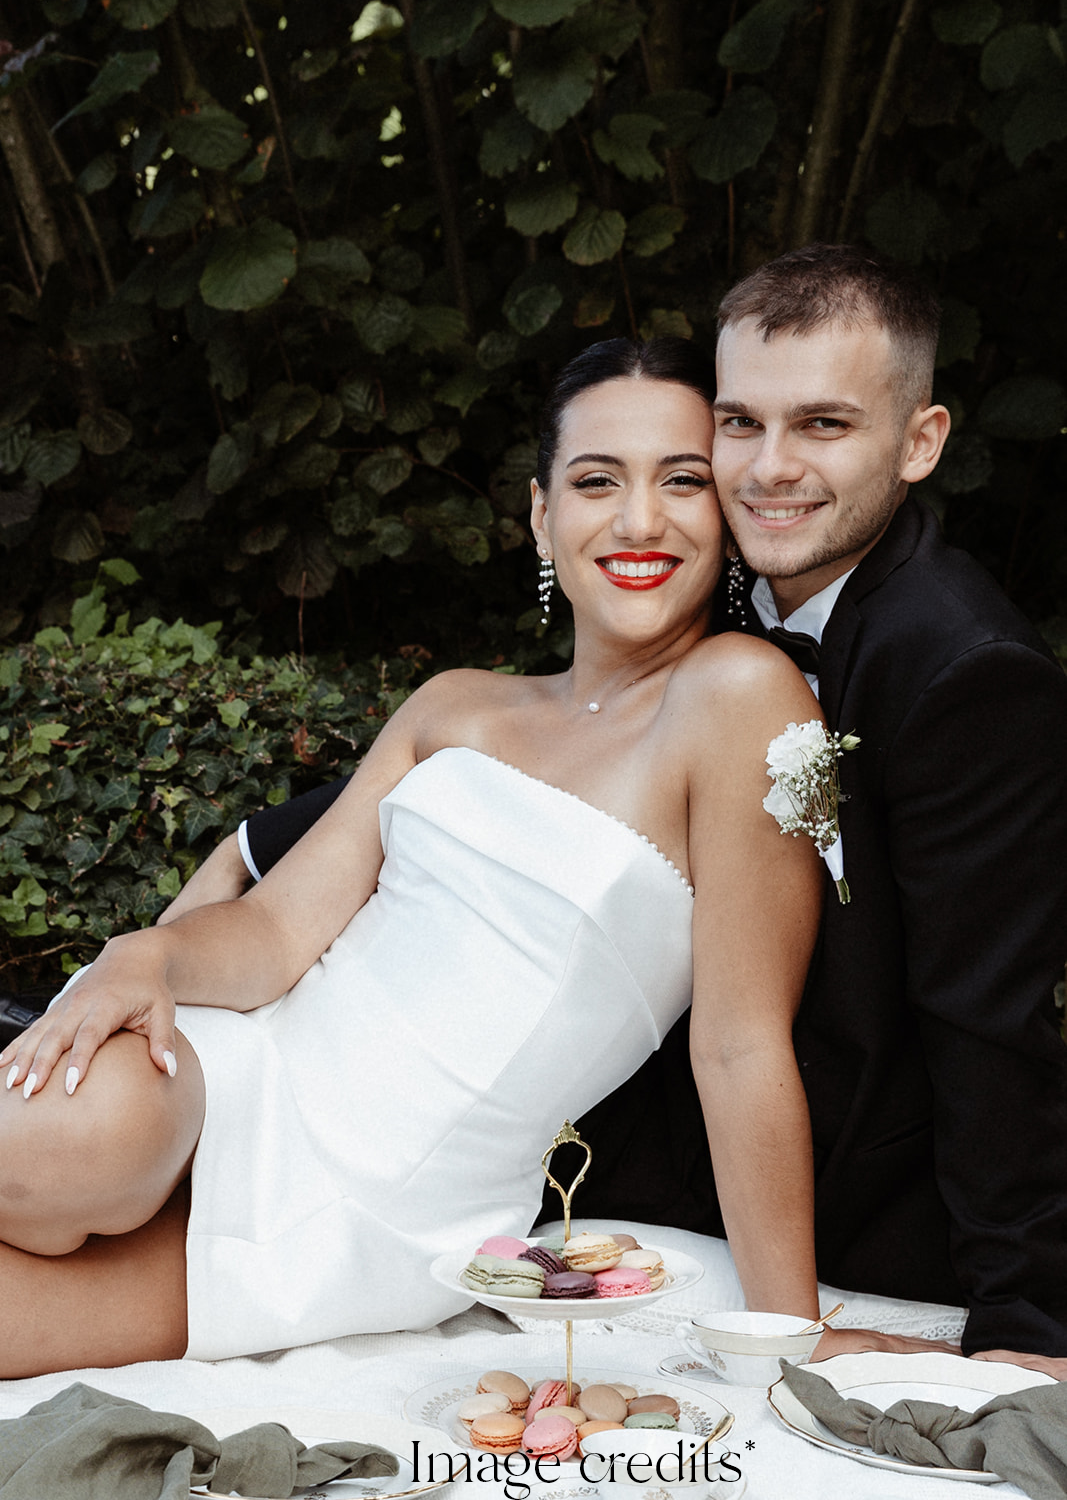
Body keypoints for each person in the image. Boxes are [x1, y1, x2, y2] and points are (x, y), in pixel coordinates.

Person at [226, 248, 1067, 1373]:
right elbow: (547, 752)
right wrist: (246, 856)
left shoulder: (963, 668)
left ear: (917, 442)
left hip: (846, 1186)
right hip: (631, 1123)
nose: (768, 469)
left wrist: (1026, 1322)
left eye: (821, 426)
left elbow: (988, 1022)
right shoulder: (726, 589)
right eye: (738, 424)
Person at [0, 338, 825, 1378]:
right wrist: (143, 958)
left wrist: (789, 1334)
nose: (637, 522)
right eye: (595, 482)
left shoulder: (738, 696)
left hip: (387, 1197)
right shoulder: (456, 704)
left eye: (682, 482)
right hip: (249, 1059)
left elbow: (740, 1047)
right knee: (92, 1131)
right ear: (539, 514)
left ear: (729, 514)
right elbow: (278, 927)